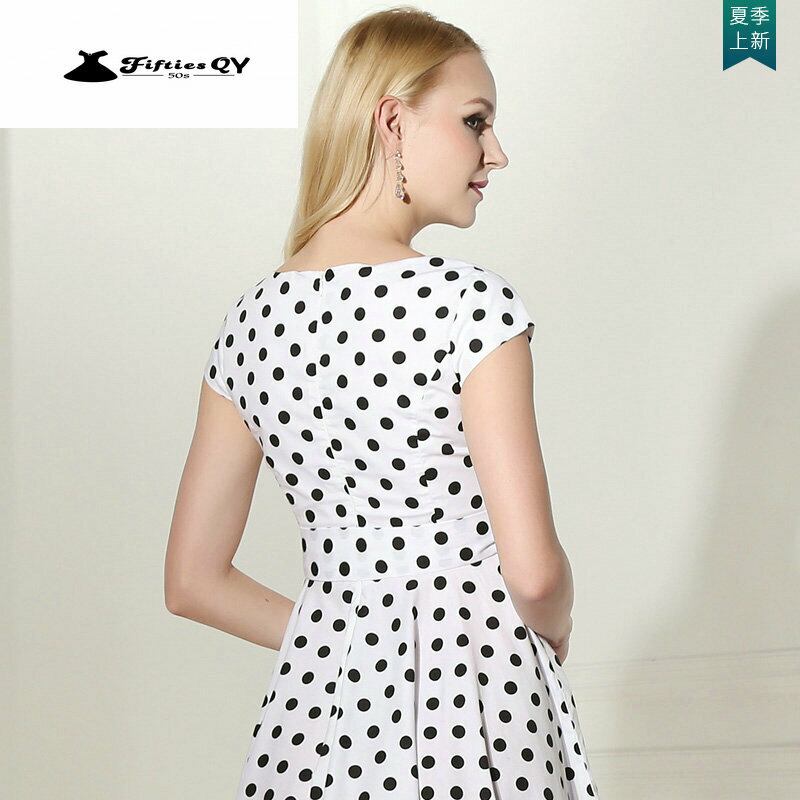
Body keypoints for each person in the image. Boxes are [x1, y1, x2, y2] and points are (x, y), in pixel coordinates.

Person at [165, 6, 600, 798]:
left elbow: (193, 580)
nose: (496, 153)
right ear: (393, 122)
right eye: (475, 122)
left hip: (317, 725)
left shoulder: (250, 324)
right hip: (478, 710)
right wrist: (556, 623)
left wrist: (347, 640)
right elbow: (535, 576)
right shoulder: (469, 306)